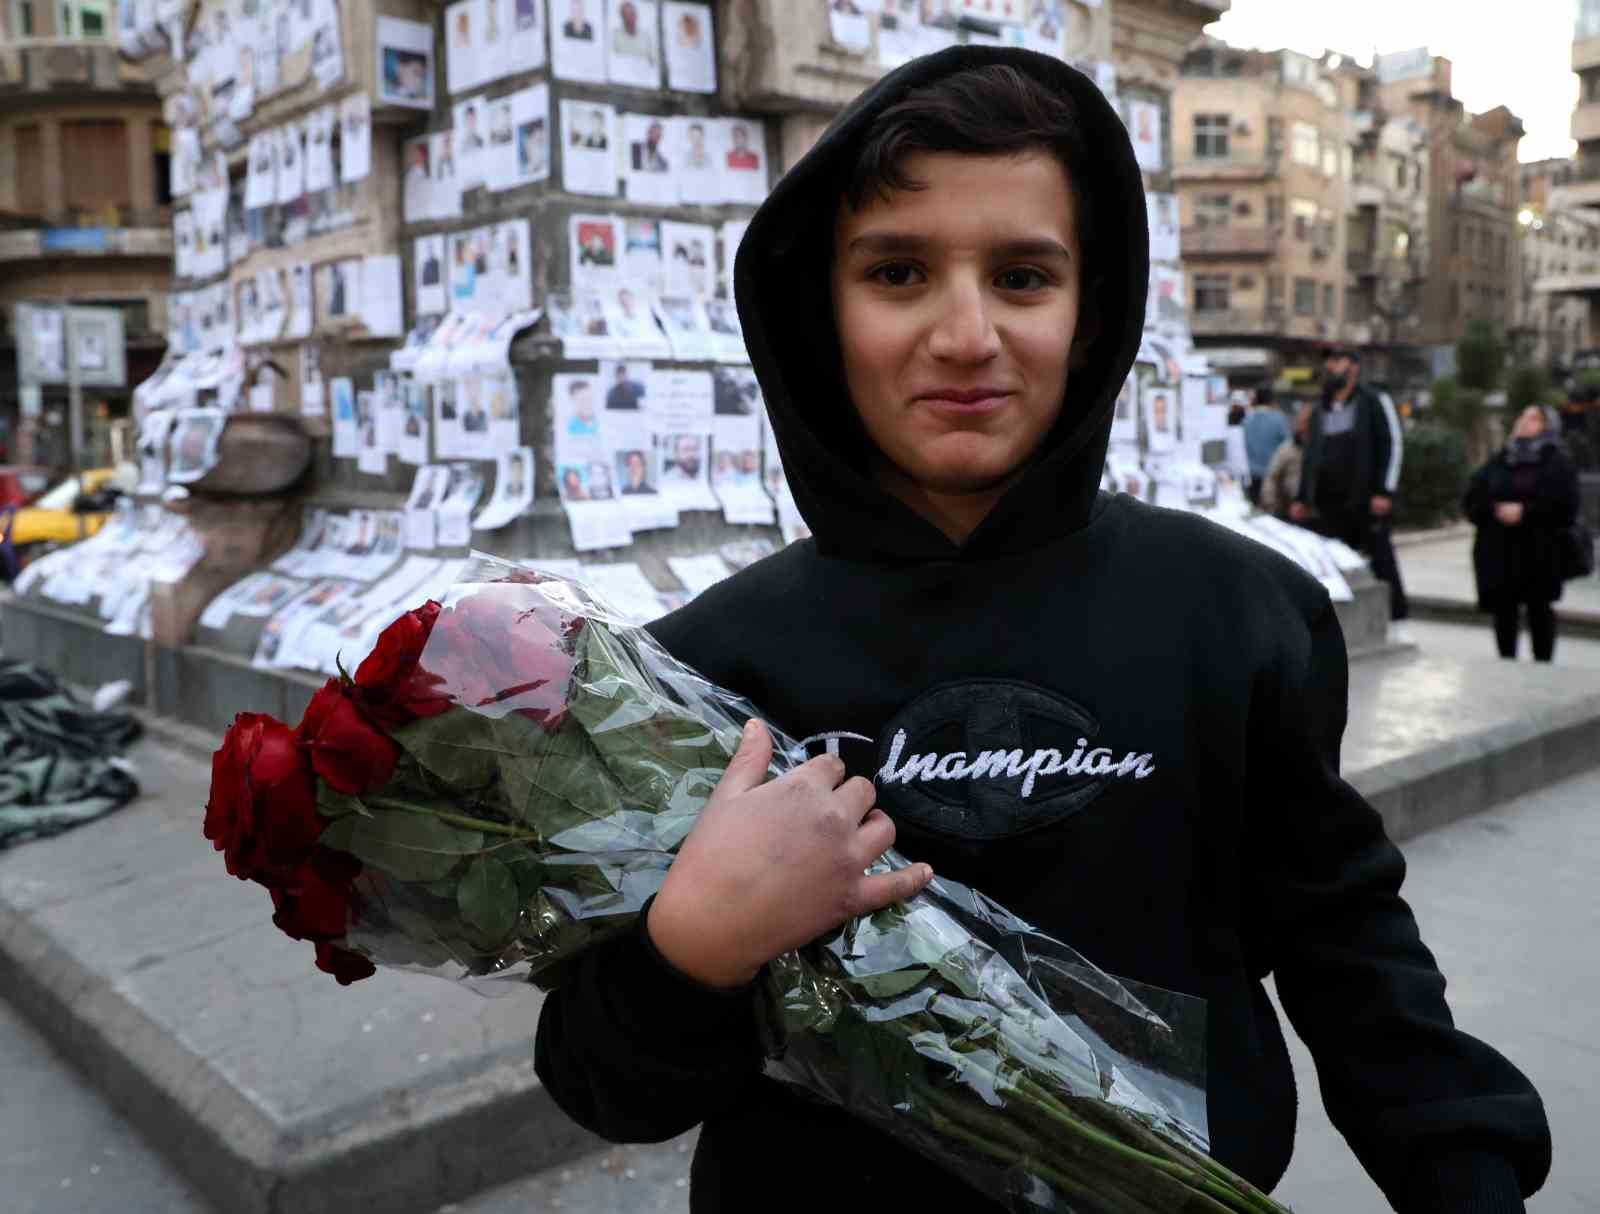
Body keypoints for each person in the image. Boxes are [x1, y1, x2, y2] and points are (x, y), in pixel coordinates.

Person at [533, 50, 1550, 1212]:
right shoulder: (695, 671)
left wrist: (1466, 1173)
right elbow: (604, 1085)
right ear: (819, 308)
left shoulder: (1237, 611)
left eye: (1022, 276)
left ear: (1092, 308)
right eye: (899, 271)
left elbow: (1349, 946)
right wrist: (691, 946)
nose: (966, 335)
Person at [1291, 345, 1410, 631]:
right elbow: (1310, 455)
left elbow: (1392, 445)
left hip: (1365, 501)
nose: (1331, 367)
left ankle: (1396, 621)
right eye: (1328, 362)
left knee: (1381, 561)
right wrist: (1302, 497)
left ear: (1354, 367)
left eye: (1337, 361)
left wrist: (1384, 491)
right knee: (1332, 564)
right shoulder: (1321, 409)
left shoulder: (1374, 401)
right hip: (1327, 505)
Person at [1463, 404, 1581, 662]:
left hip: (1540, 552)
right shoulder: (1501, 458)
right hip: (1500, 552)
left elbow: (1566, 506)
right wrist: (1495, 510)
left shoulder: (1558, 462)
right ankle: (1507, 664)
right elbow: (1473, 499)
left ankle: (1543, 665)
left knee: (1539, 611)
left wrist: (1525, 512)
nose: (1525, 422)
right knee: (1504, 611)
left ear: (1547, 426)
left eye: (1534, 418)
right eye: (1523, 416)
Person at [1260, 402, 1312, 520]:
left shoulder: (1320, 448)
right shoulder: (1287, 449)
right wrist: (1271, 506)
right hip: (1288, 510)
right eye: (1301, 422)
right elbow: (1272, 477)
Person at [1242, 386, 1290, 507]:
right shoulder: (1279, 419)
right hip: (1271, 476)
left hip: (1250, 475)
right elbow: (1288, 444)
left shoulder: (1246, 419)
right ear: (1272, 400)